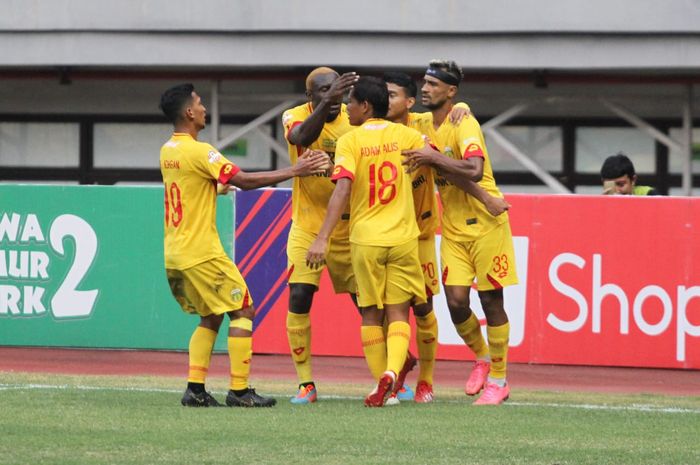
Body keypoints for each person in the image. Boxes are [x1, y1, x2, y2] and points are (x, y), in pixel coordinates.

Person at [159, 83, 328, 407]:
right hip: (202, 252)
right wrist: (297, 169)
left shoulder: (168, 150)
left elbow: (198, 184)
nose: (205, 108)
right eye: (199, 103)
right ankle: (239, 391)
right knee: (244, 308)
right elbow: (244, 180)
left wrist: (217, 189)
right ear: (189, 113)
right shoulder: (200, 150)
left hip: (175, 252)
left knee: (211, 315)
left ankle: (195, 389)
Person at [383, 71, 510, 404]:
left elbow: (473, 170)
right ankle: (483, 357)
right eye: (424, 84)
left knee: (491, 301)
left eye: (433, 85)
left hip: (486, 223)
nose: (425, 89)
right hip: (452, 226)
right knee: (455, 302)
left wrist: (434, 157)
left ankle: (499, 379)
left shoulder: (464, 123)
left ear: (451, 91)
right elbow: (399, 112)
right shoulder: (423, 124)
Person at [306, 76, 428, 407]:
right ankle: (392, 374)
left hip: (366, 238)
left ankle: (383, 385)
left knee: (371, 314)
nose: (346, 107)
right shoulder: (407, 135)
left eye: (351, 102)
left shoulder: (350, 141)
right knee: (400, 312)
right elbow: (429, 155)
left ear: (366, 106)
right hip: (403, 237)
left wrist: (322, 238)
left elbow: (343, 189)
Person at [282, 67, 364, 404]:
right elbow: (299, 138)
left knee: (368, 306)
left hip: (350, 227)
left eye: (337, 92)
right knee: (299, 295)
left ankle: (393, 372)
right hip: (306, 224)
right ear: (309, 97)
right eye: (323, 92)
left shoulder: (354, 119)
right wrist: (325, 104)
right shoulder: (295, 115)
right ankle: (306, 384)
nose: (333, 98)